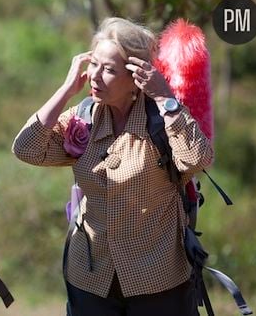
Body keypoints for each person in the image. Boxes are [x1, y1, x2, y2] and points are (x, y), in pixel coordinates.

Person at [12, 17, 213, 316]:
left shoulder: (160, 120)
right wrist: (67, 89)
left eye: (109, 70)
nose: (95, 76)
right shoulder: (85, 117)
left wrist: (166, 98)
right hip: (91, 275)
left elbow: (197, 159)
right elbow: (26, 148)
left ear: (136, 77)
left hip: (156, 279)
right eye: (94, 64)